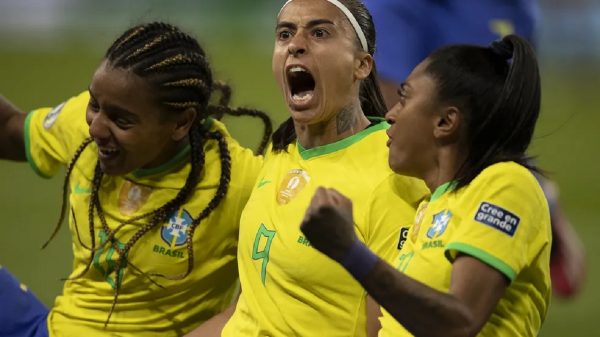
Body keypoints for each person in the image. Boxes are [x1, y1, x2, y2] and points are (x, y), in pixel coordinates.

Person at [0, 21, 272, 336]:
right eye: (95, 105)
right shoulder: (83, 126)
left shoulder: (240, 182)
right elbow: (9, 129)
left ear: (182, 123)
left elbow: (271, 296)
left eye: (121, 120)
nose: (97, 128)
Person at [186, 0, 428, 336]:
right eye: (285, 34)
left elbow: (388, 328)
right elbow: (253, 309)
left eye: (320, 33)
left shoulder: (393, 174)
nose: (296, 44)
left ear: (362, 65)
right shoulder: (281, 153)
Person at [301, 34, 551, 337]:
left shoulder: (507, 184)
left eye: (405, 98)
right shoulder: (430, 206)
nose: (390, 114)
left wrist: (350, 251)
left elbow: (459, 322)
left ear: (445, 122)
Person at [363, 0, 585, 298]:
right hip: (416, 178)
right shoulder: (399, 7)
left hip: (467, 183)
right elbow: (387, 107)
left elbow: (460, 321)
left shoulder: (519, 11)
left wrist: (354, 258)